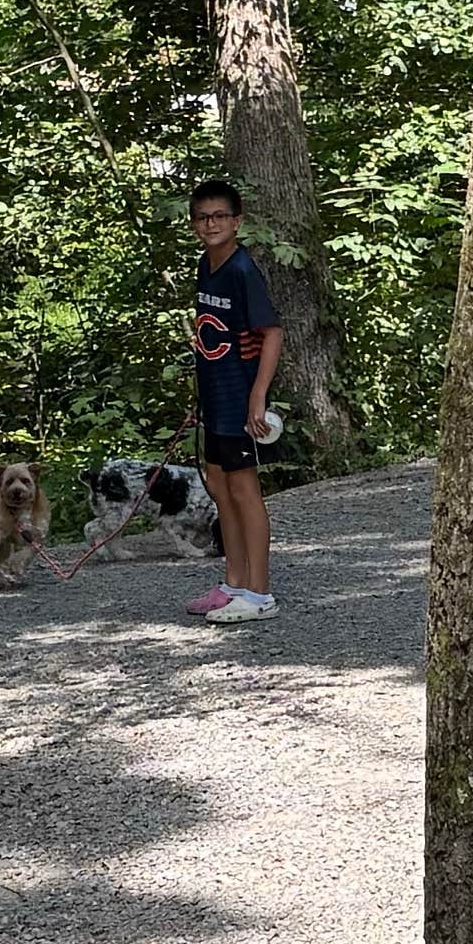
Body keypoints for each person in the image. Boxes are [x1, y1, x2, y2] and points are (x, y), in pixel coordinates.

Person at [186, 179, 283, 625]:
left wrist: (257, 398)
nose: (211, 223)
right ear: (194, 224)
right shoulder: (206, 266)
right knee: (219, 485)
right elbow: (217, 328)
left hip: (241, 398)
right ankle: (234, 584)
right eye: (203, 217)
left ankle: (260, 593)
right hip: (215, 395)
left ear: (236, 222)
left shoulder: (243, 270)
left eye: (220, 216)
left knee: (245, 490)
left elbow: (272, 333)